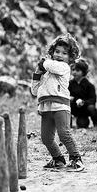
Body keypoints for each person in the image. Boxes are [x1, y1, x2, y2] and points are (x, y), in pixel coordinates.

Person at [31, 33, 85, 171]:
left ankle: (76, 158)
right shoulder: (47, 72)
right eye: (57, 52)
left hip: (61, 106)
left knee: (64, 134)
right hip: (46, 107)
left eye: (64, 53)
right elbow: (35, 91)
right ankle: (58, 159)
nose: (60, 55)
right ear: (52, 52)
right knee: (46, 138)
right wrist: (37, 74)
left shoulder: (64, 68)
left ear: (70, 57)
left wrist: (43, 62)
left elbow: (51, 66)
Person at [69, 58, 97, 129]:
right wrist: (71, 98)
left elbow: (93, 100)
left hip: (84, 109)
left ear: (83, 72)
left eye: (77, 70)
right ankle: (68, 125)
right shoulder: (70, 84)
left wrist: (83, 102)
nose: (74, 72)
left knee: (83, 124)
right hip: (74, 107)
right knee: (66, 108)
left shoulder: (89, 85)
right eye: (73, 70)